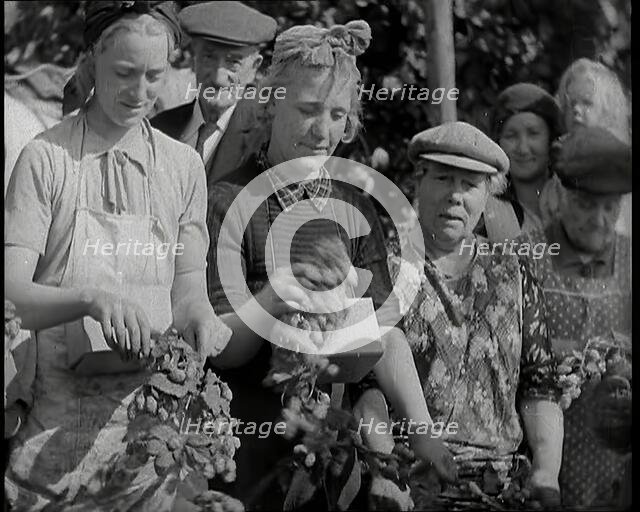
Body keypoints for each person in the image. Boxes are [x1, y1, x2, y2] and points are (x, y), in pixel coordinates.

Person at [206, 20, 456, 510]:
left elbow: (384, 340)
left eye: (338, 114)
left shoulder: (356, 209)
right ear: (271, 102)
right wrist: (275, 295)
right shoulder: (226, 201)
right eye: (307, 111)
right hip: (245, 449)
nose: (323, 131)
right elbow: (218, 349)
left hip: (331, 462)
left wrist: (423, 436)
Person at [4, 2, 232, 509]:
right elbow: (12, 295)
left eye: (155, 75)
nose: (140, 92)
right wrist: (90, 300)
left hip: (150, 451)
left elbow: (188, 286)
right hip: (50, 441)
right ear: (91, 62)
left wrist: (203, 321)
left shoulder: (183, 167)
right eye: (124, 73)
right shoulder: (47, 159)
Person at [392, 122, 563, 509]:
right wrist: (384, 474)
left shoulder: (514, 273)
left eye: (469, 185)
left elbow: (540, 387)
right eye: (442, 178)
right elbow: (364, 382)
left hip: (501, 488)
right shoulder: (387, 267)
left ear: (489, 195)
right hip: (410, 481)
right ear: (418, 182)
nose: (455, 195)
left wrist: (546, 473)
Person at [520, 125, 632, 509]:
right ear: (559, 192)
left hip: (617, 475)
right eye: (586, 204)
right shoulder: (524, 256)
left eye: (611, 207)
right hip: (539, 470)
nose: (600, 220)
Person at [150, 1, 277, 188]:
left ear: (254, 67)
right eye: (208, 57)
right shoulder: (157, 130)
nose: (218, 78)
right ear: (195, 58)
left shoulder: (267, 140)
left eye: (233, 62)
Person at [550, 58, 632, 238]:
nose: (577, 110)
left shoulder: (621, 168)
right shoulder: (558, 161)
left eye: (587, 103)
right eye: (571, 103)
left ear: (607, 110)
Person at [481, 83, 564, 241]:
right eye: (511, 136)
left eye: (533, 134)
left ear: (550, 140)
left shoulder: (573, 201)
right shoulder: (485, 214)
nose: (523, 149)